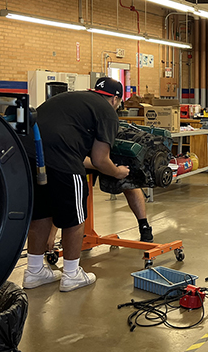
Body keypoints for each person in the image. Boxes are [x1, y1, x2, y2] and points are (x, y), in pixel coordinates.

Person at [23, 77, 130, 292]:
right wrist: (118, 172)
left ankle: (33, 272)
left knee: (41, 213)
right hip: (62, 161)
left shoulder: (73, 99)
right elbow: (100, 160)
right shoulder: (107, 112)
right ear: (115, 99)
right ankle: (72, 274)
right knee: (76, 218)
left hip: (28, 156)